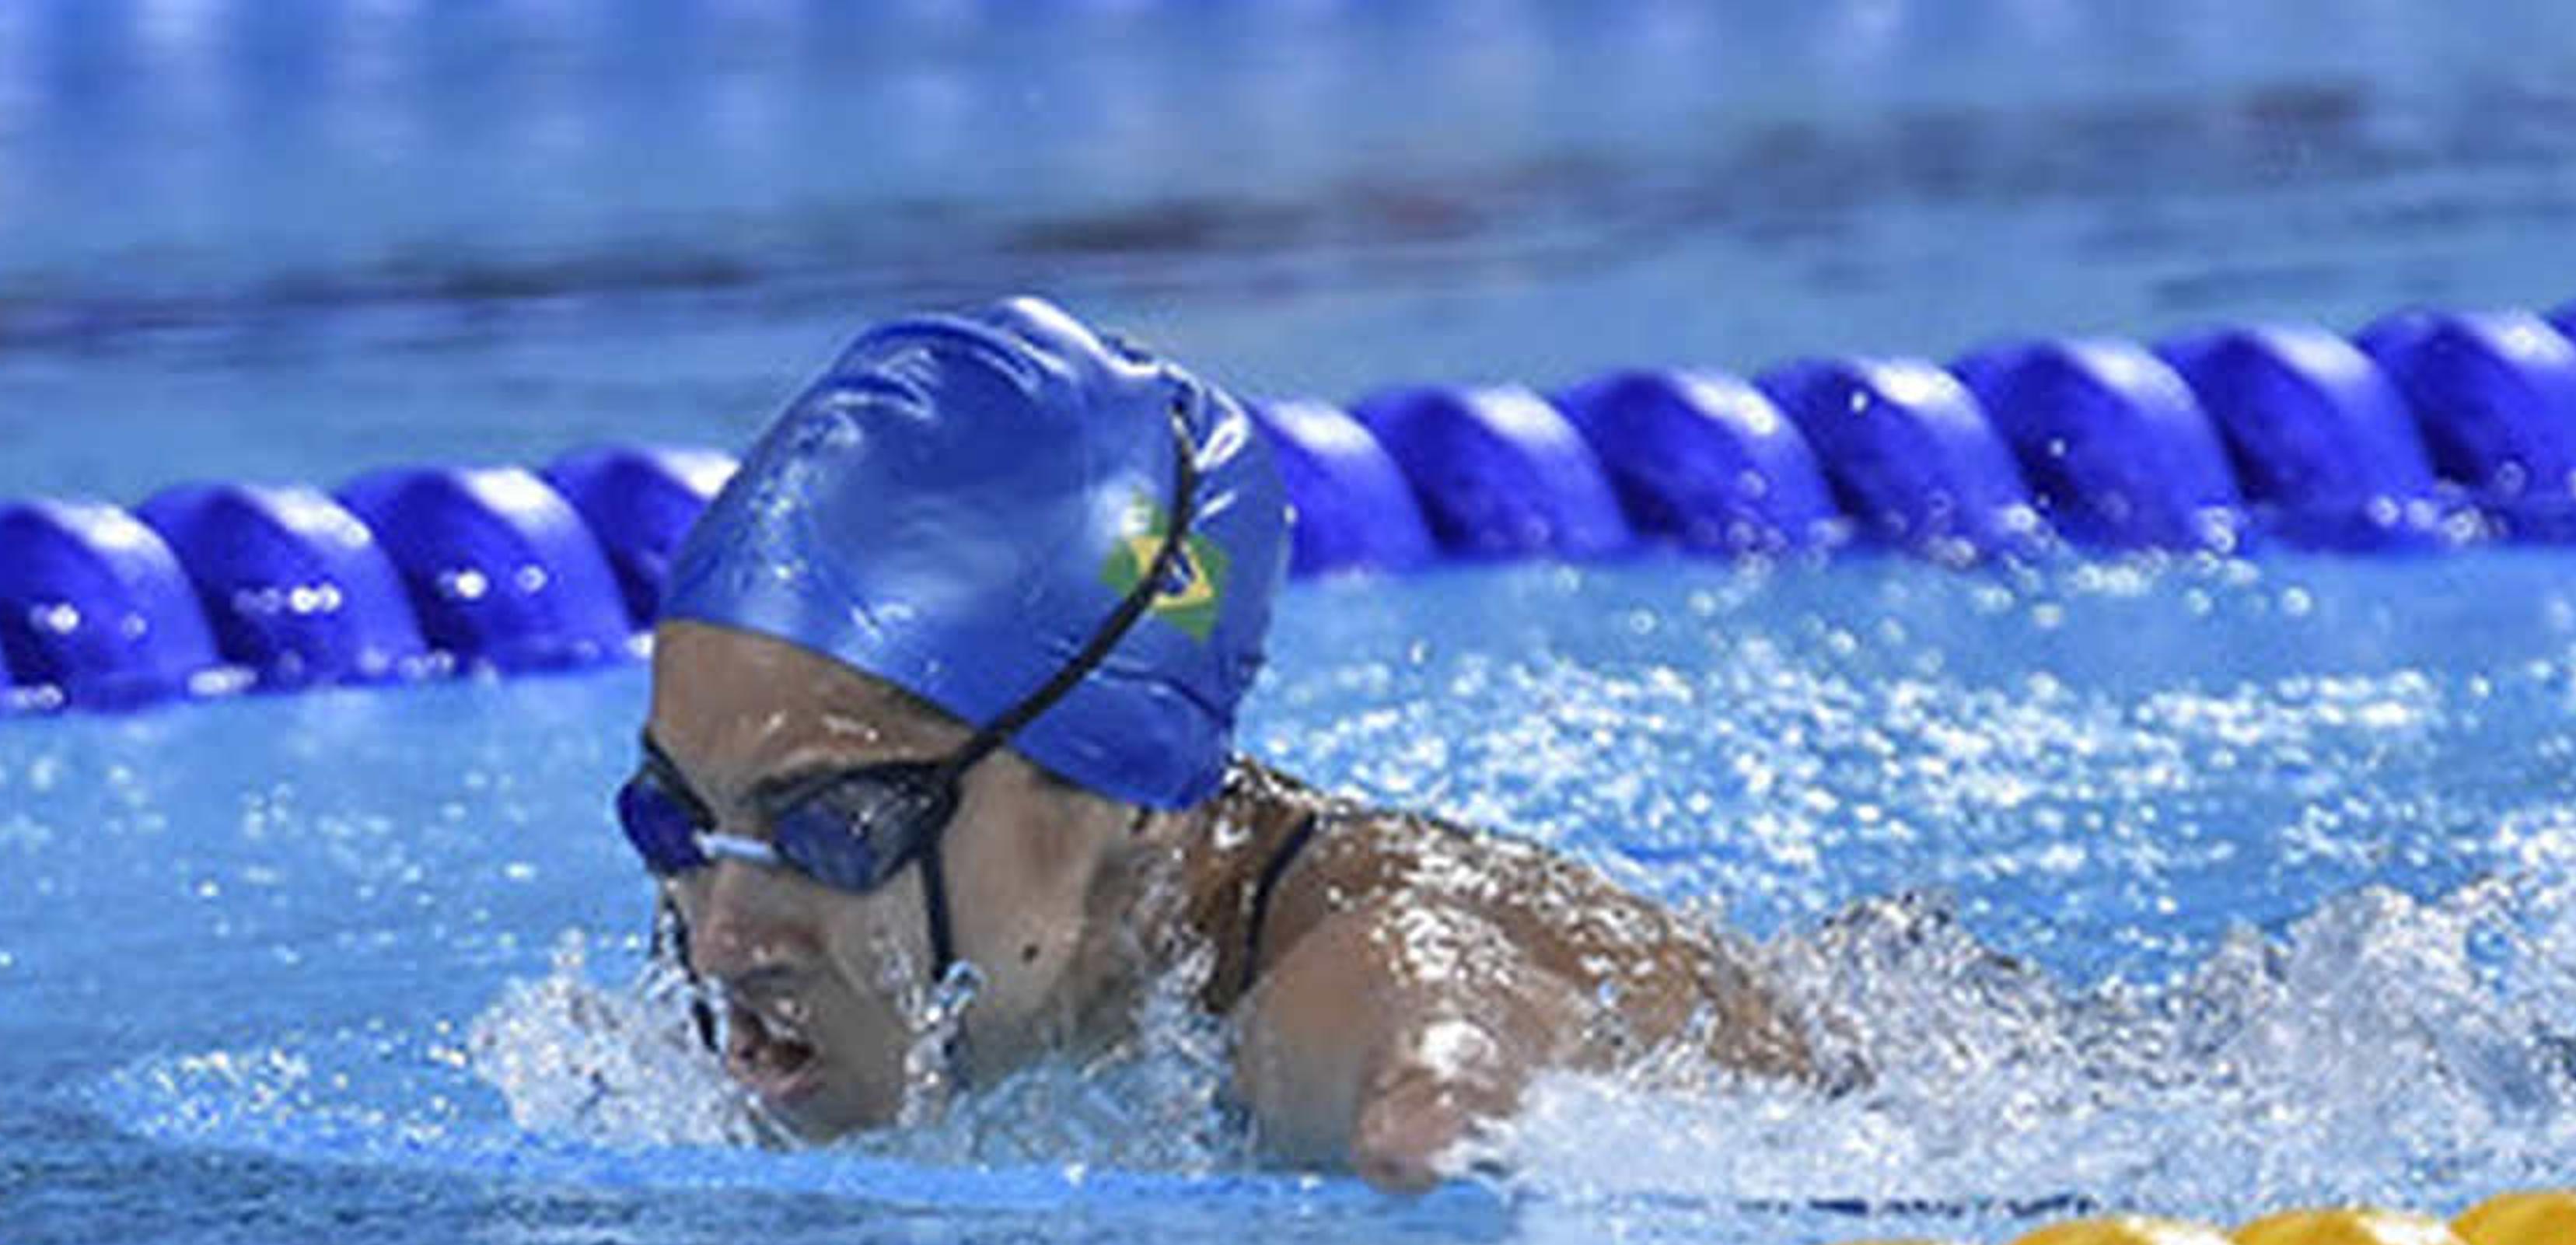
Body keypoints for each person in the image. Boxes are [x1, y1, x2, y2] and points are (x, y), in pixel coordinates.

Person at [616, 296, 1819, 1191]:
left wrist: (1437, 1092)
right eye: (672, 821)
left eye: (836, 826)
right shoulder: (1002, 965)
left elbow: (1435, 1000)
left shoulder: (1313, 978)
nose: (724, 937)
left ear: (1128, 796)